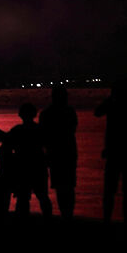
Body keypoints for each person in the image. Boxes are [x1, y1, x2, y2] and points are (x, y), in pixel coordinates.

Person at [94, 78, 127, 223]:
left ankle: (108, 219)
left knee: (110, 190)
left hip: (114, 152)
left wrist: (110, 99)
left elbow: (97, 112)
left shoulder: (112, 105)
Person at [6, 103, 52, 217]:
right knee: (42, 196)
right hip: (38, 165)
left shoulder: (17, 130)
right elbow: (48, 147)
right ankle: (48, 219)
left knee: (22, 197)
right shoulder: (40, 130)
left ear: (20, 115)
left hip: (22, 167)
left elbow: (7, 146)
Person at [39, 86, 78, 220]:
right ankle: (68, 214)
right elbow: (72, 129)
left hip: (55, 153)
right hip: (67, 152)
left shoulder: (46, 113)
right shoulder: (69, 111)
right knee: (68, 186)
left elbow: (43, 135)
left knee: (60, 187)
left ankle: (65, 214)